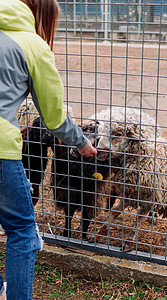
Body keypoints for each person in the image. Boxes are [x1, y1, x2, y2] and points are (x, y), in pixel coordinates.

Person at [0, 0, 97, 299]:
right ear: (43, 14)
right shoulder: (32, 45)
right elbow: (53, 117)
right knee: (22, 231)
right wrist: (82, 143)